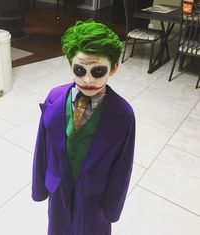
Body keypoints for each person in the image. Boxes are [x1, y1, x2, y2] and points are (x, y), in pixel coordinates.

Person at [32, 20, 135, 235]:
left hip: (95, 198)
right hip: (59, 190)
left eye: (98, 71)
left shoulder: (123, 115)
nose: (87, 79)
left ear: (114, 68)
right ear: (70, 65)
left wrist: (112, 209)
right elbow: (42, 147)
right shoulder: (54, 98)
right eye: (79, 70)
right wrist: (39, 187)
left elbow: (122, 166)